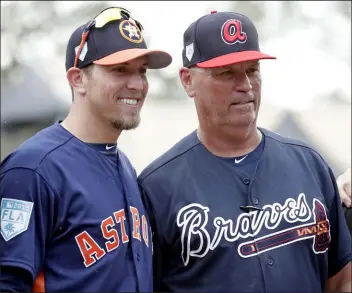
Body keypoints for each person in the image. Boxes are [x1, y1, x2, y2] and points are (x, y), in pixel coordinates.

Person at [137, 10, 352, 292]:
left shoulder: (309, 164)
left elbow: (341, 278)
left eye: (252, 70)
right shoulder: (156, 187)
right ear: (188, 80)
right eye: (227, 73)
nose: (246, 86)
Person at [0, 7, 172, 292]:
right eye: (119, 70)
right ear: (77, 79)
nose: (137, 84)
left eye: (141, 72)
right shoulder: (34, 169)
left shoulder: (125, 165)